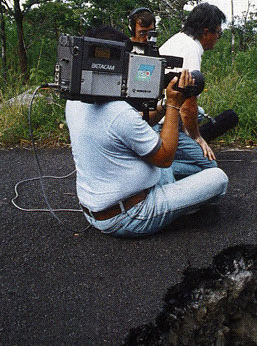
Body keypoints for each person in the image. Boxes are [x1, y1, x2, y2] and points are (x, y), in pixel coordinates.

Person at [66, 25, 228, 237]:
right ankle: (177, 209)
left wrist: (160, 107)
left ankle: (178, 194)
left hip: (97, 209)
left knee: (186, 167)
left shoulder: (74, 102)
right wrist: (173, 105)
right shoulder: (118, 113)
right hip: (130, 215)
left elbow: (136, 123)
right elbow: (165, 158)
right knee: (217, 177)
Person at [158, 3, 226, 178]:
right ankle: (155, 168)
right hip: (161, 123)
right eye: (218, 32)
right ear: (205, 32)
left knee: (200, 114)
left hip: (157, 112)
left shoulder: (179, 39)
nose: (218, 37)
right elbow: (187, 106)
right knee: (209, 167)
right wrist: (197, 138)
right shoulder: (191, 49)